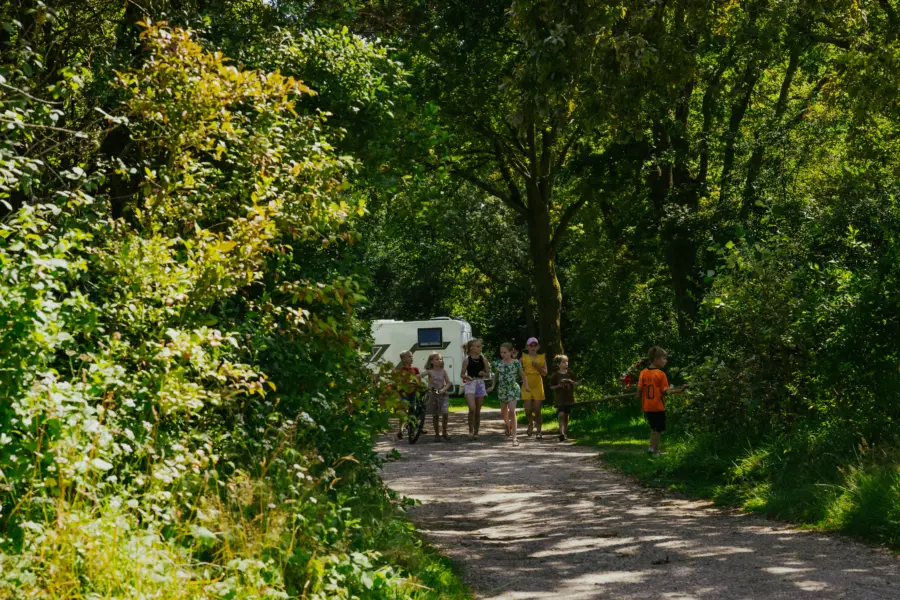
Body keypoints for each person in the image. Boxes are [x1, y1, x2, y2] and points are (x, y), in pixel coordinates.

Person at [636, 347, 687, 456]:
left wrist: (639, 395)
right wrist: (680, 390)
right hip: (658, 406)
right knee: (658, 429)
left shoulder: (643, 373)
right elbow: (666, 392)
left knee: (653, 427)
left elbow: (639, 391)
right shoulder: (660, 374)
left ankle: (651, 447)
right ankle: (655, 450)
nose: (666, 361)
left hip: (647, 406)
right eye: (664, 358)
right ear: (656, 359)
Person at [489, 342, 529, 447]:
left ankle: (515, 438)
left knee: (512, 411)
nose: (503, 354)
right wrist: (493, 386)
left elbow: (523, 375)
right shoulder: (498, 363)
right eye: (501, 352)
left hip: (513, 388)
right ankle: (507, 425)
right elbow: (495, 376)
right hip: (502, 389)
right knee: (504, 412)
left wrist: (526, 386)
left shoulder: (516, 363)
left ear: (511, 352)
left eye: (505, 352)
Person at [461, 338, 491, 440]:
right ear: (471, 348)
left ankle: (476, 432)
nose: (480, 348)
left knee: (478, 411)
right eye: (478, 346)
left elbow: (488, 373)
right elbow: (462, 374)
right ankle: (470, 430)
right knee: (472, 408)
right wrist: (467, 377)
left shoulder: (484, 360)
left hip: (480, 384)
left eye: (480, 346)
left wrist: (484, 374)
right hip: (470, 384)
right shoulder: (467, 360)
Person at [520, 337, 548, 439]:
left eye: (535, 345)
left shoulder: (541, 358)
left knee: (537, 409)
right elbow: (516, 368)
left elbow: (545, 373)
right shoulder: (523, 357)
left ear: (538, 347)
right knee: (527, 410)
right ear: (527, 347)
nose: (532, 347)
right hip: (527, 384)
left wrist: (538, 366)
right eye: (530, 345)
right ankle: (531, 422)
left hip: (537, 383)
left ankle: (539, 431)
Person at [422, 352, 452, 442]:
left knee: (445, 412)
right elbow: (419, 376)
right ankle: (437, 434)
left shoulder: (443, 371)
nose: (440, 361)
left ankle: (444, 432)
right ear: (431, 361)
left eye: (441, 359)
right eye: (437, 359)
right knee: (435, 415)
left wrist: (444, 389)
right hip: (433, 394)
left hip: (443, 394)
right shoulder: (429, 372)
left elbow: (448, 383)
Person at [393, 350, 420, 439]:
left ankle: (412, 427)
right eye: (409, 356)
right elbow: (397, 383)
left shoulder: (415, 370)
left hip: (413, 393)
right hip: (403, 393)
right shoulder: (400, 371)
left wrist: (417, 385)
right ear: (403, 360)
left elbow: (418, 381)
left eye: (412, 356)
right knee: (403, 411)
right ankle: (400, 429)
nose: (411, 358)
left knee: (412, 410)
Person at [550, 355, 577, 441]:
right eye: (564, 362)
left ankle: (564, 433)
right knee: (561, 414)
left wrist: (570, 381)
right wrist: (558, 385)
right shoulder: (555, 375)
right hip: (560, 399)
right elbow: (551, 387)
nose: (566, 363)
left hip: (569, 398)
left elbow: (576, 383)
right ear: (558, 364)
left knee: (566, 415)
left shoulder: (570, 373)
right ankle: (561, 432)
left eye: (567, 361)